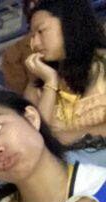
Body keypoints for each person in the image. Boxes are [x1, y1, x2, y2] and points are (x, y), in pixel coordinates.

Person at [24, 0, 106, 149]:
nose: (35, 43)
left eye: (41, 31)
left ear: (69, 24)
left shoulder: (103, 63)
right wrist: (50, 82)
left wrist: (63, 137)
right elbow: (36, 143)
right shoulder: (36, 87)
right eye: (32, 35)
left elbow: (49, 140)